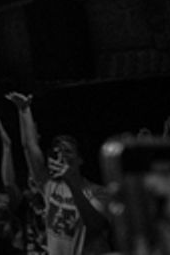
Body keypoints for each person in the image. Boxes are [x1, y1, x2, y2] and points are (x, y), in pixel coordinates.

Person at [6, 91, 111, 255]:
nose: (61, 155)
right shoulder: (49, 186)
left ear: (80, 159)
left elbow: (94, 225)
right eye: (57, 152)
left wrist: (71, 183)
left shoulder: (99, 192)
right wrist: (24, 110)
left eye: (67, 151)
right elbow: (29, 146)